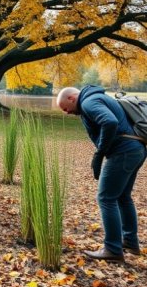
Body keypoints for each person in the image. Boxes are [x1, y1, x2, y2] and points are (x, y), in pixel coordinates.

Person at [57, 85, 146, 261]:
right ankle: (130, 242)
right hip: (136, 149)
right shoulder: (96, 98)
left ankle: (113, 249)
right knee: (123, 196)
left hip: (124, 152)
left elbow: (110, 122)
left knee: (106, 198)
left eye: (65, 108)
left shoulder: (89, 102)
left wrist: (99, 153)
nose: (66, 113)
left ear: (72, 98)